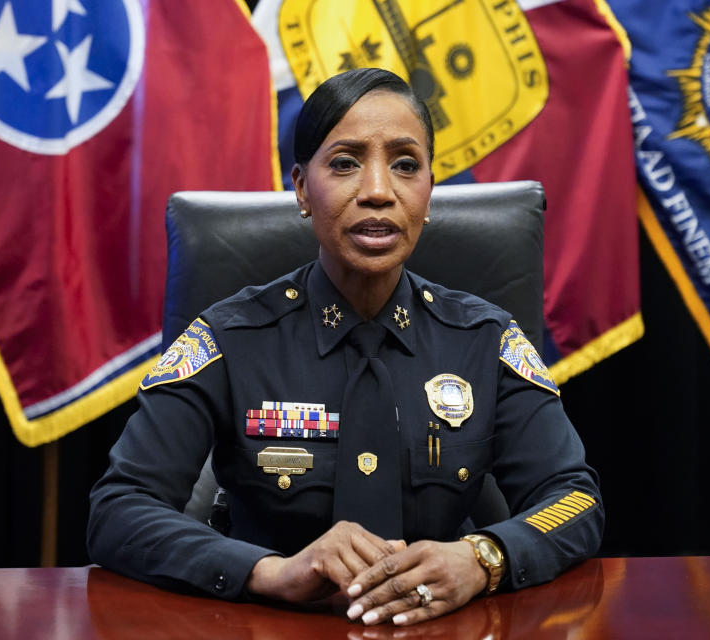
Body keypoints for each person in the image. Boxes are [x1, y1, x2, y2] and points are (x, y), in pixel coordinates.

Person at [87, 67, 603, 627]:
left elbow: (575, 501)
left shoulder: (486, 340)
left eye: (405, 165)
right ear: (303, 188)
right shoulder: (227, 338)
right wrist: (268, 571)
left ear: (429, 191)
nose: (379, 191)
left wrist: (483, 558)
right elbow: (119, 509)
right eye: (345, 162)